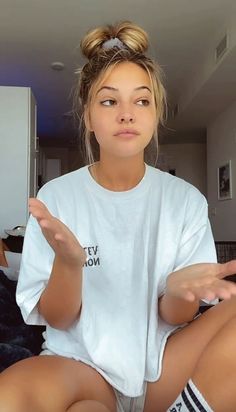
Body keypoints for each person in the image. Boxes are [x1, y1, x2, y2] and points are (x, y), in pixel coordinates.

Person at [0, 21, 236, 412]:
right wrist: (71, 264)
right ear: (89, 117)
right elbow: (57, 318)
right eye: (109, 101)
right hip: (80, 368)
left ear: (155, 114)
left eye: (141, 101)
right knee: (10, 396)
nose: (127, 113)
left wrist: (178, 293)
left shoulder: (185, 202)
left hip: (164, 364)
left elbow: (178, 314)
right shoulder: (57, 197)